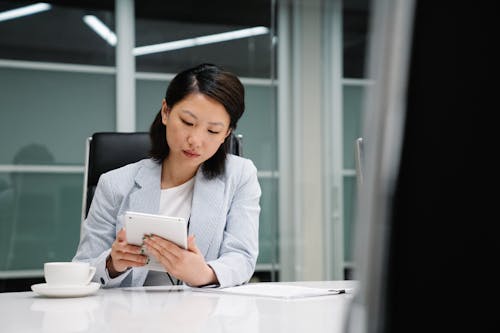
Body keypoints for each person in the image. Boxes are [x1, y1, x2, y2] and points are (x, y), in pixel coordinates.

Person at [73, 63, 261, 288]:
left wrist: (205, 274)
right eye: (188, 122)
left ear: (226, 134)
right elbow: (83, 268)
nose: (195, 140)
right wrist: (113, 264)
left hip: (205, 315)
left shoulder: (240, 176)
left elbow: (242, 257)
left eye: (213, 131)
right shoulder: (114, 184)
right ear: (166, 112)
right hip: (129, 316)